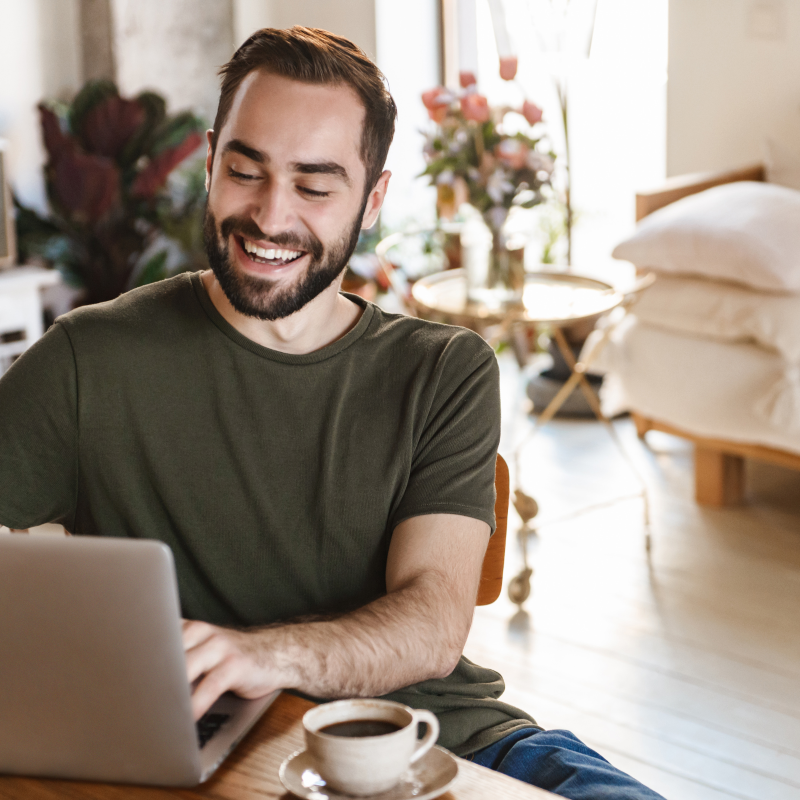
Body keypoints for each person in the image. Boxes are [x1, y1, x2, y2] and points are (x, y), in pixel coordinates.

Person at [0, 27, 665, 800]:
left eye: (314, 187)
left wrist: (265, 657)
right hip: (198, 752)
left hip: (449, 741)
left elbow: (432, 624)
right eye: (246, 171)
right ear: (211, 161)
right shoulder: (91, 359)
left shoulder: (443, 371)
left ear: (374, 198)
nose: (270, 217)